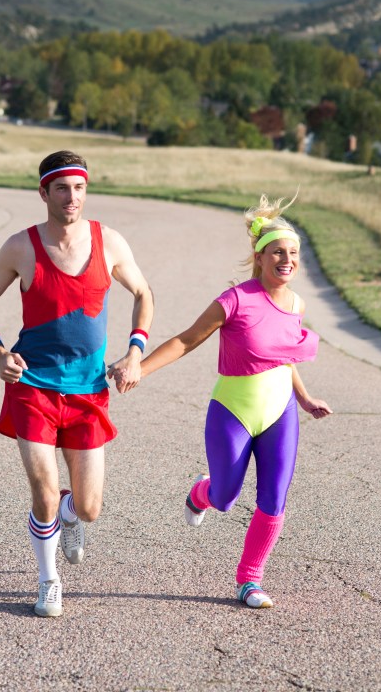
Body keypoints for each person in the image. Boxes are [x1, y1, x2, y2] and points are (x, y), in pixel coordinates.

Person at [0, 150, 153, 618]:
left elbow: (143, 293)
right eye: (61, 189)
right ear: (43, 193)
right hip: (32, 384)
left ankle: (71, 516)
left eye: (79, 188)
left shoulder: (109, 242)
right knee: (43, 487)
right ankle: (49, 579)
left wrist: (134, 352)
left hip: (88, 389)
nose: (72, 198)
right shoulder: (21, 247)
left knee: (89, 507)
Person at [132, 194, 331, 609]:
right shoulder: (235, 300)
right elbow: (186, 340)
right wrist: (139, 369)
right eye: (278, 251)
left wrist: (305, 397)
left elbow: (284, 356)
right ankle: (201, 493)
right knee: (225, 497)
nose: (287, 259)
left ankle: (249, 580)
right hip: (233, 410)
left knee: (274, 497)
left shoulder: (296, 304)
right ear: (259, 257)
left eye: (293, 253)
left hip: (281, 414)